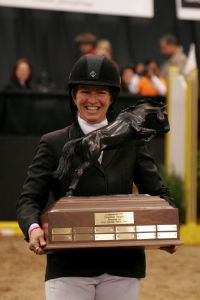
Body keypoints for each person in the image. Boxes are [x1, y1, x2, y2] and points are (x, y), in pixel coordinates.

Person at [17, 55, 175, 300]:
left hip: (121, 266)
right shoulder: (53, 143)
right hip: (68, 267)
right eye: (85, 91)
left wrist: (166, 228)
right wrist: (33, 228)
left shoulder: (133, 142)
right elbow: (29, 199)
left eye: (100, 92)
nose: (92, 100)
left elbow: (159, 194)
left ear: (111, 98)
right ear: (74, 96)